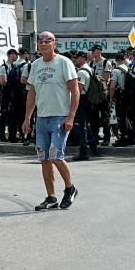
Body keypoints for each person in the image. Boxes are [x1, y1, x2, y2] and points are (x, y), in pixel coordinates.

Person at [22, 31, 79, 211]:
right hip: (42, 118)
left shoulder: (64, 62)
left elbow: (75, 90)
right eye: (41, 41)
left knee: (56, 155)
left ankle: (70, 188)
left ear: (55, 44)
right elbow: (32, 93)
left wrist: (70, 116)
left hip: (59, 117)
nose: (44, 44)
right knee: (44, 158)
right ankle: (51, 197)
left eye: (48, 41)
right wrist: (27, 118)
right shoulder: (36, 65)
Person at [69, 50, 101, 161]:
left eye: (77, 58)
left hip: (82, 100)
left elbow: (78, 89)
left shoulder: (82, 72)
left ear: (83, 58)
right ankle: (94, 148)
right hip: (87, 100)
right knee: (85, 125)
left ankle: (83, 152)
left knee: (80, 126)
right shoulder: (90, 69)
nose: (75, 60)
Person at [88, 44, 111, 145]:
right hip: (94, 93)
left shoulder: (106, 62)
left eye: (94, 50)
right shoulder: (91, 63)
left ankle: (107, 137)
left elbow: (106, 78)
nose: (92, 52)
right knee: (94, 117)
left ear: (99, 51)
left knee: (105, 116)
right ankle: (95, 136)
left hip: (102, 92)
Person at [0, 48, 24, 143]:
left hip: (15, 93)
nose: (17, 56)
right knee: (6, 114)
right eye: (15, 54)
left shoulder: (15, 66)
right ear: (10, 55)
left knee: (15, 115)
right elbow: (3, 81)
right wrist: (12, 82)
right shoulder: (4, 67)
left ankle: (13, 134)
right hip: (7, 94)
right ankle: (3, 135)